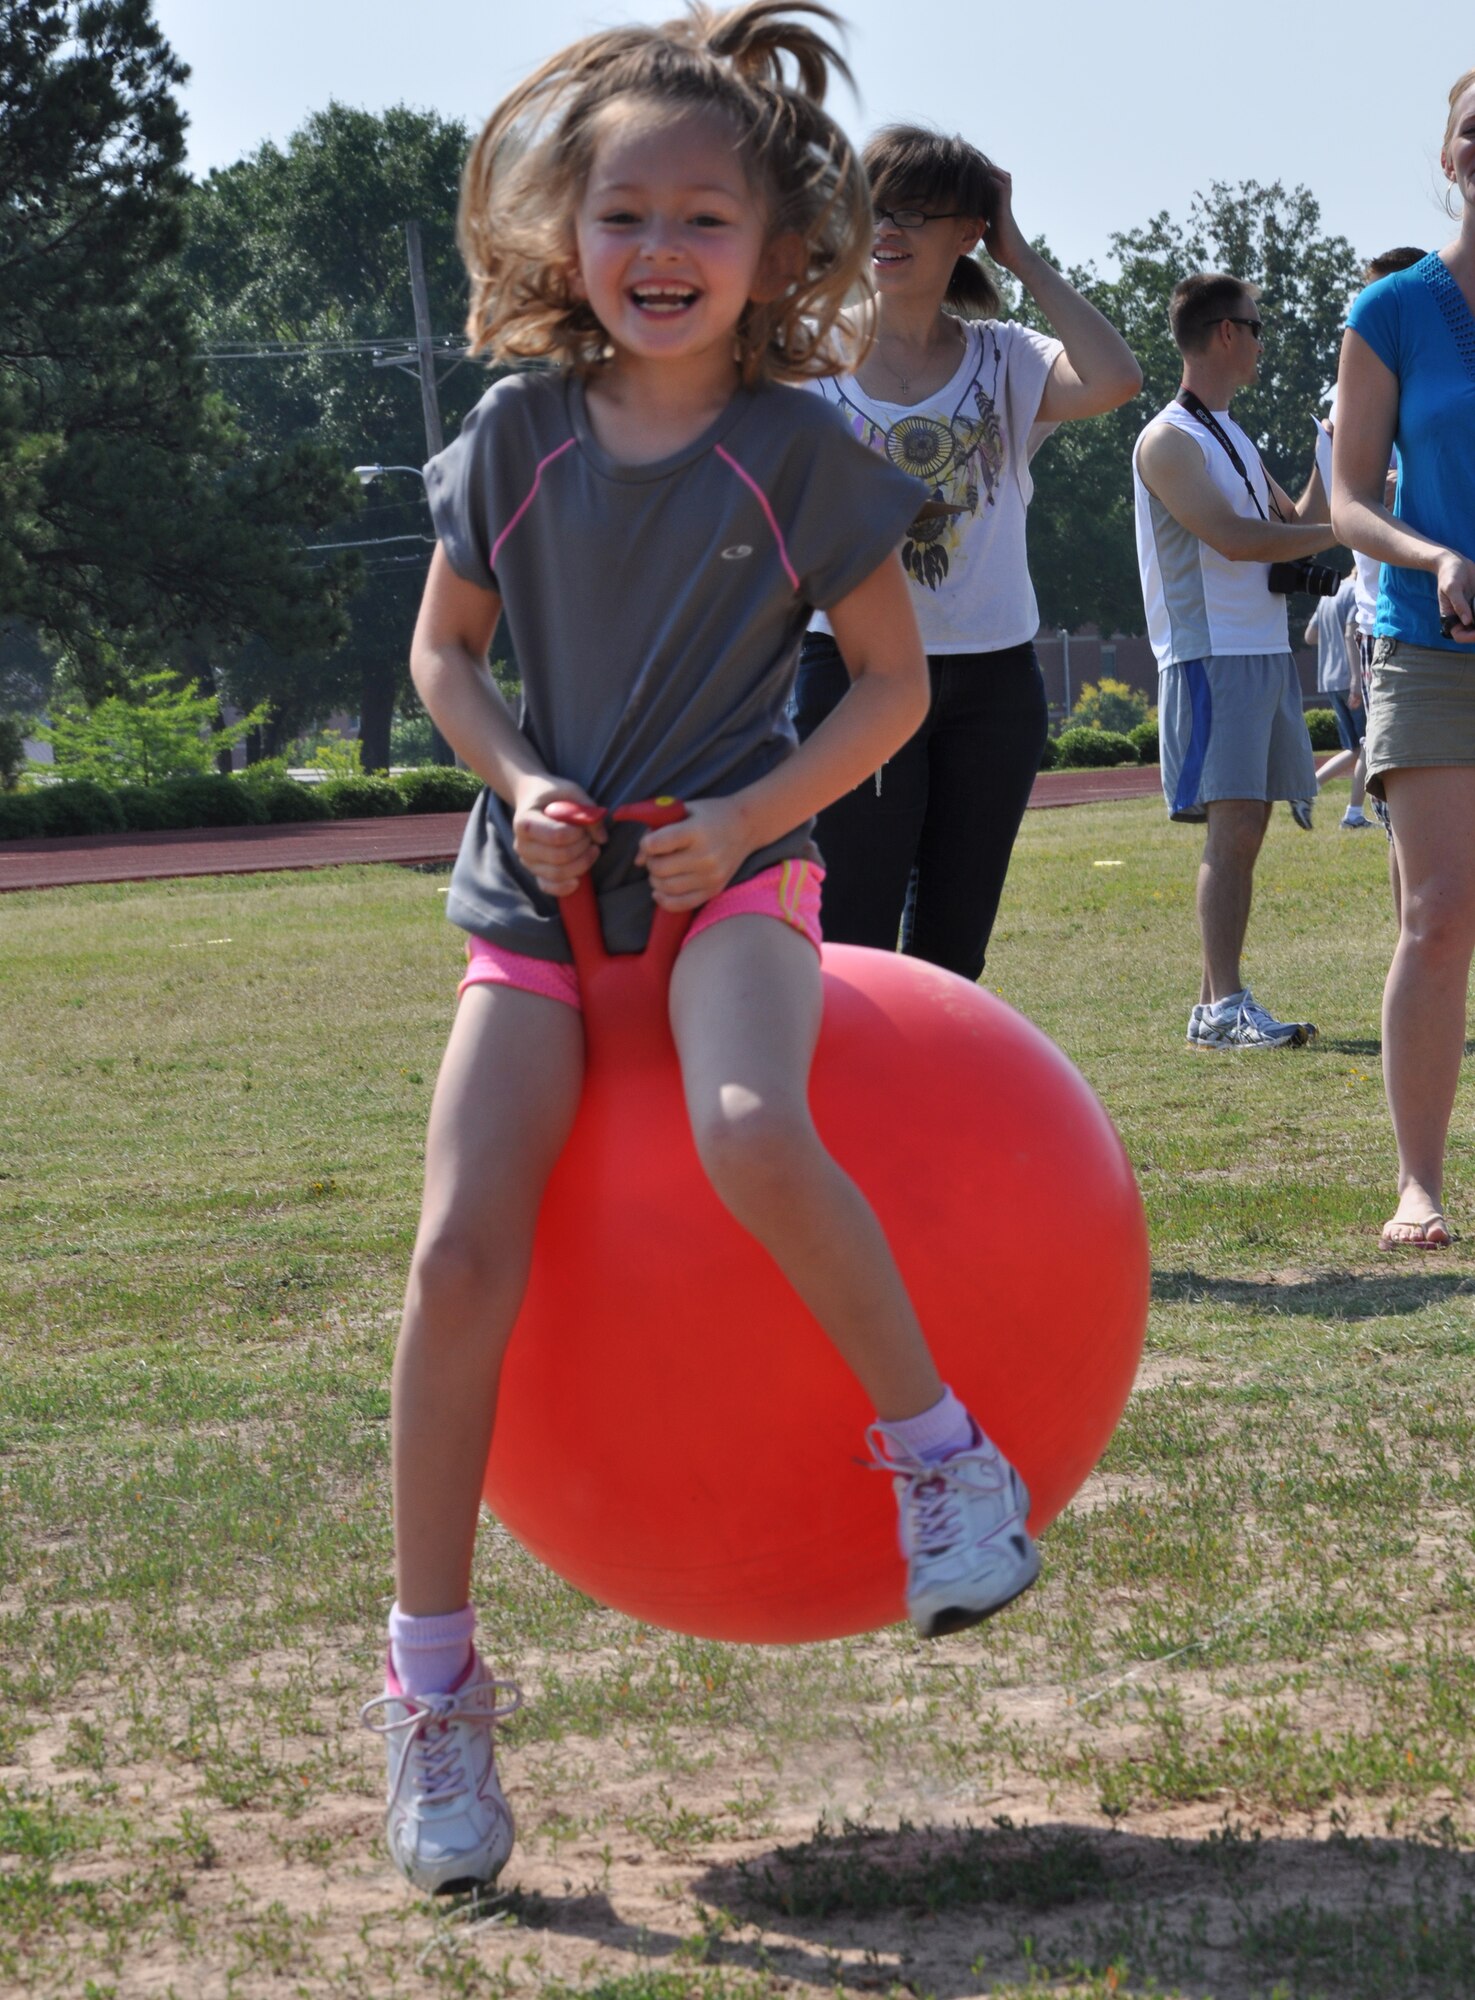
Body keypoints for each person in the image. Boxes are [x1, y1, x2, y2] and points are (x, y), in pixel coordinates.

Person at [360, 2, 1043, 1899]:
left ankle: (940, 1458)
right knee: (456, 1249)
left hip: (735, 879)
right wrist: (516, 779)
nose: (661, 252)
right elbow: (441, 655)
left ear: (781, 256)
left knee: (752, 1126)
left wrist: (745, 824)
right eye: (624, 214)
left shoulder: (800, 451)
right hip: (540, 906)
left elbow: (897, 689)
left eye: (705, 221)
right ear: (563, 237)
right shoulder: (506, 432)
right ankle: (433, 1690)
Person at [789, 128, 1141, 982]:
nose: (887, 229)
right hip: (853, 673)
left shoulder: (1005, 356)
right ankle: (842, 1112)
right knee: (852, 938)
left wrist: (1021, 255)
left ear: (968, 231)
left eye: (913, 211)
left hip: (990, 687)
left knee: (954, 950)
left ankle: (920, 1115)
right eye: (872, 208)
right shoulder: (802, 358)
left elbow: (1116, 378)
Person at [1331, 68, 1475, 1249]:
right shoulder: (1388, 310)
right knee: (1435, 915)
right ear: (1446, 156)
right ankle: (1416, 1183)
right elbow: (1343, 498)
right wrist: (1428, 557)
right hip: (1430, 647)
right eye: (1472, 129)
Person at [1132, 272, 1340, 1050]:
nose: (1259, 340)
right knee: (1232, 830)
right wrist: (1341, 527)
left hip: (1257, 650)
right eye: (1254, 327)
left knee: (1246, 826)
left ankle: (1211, 1006)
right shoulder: (1167, 439)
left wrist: (1331, 448)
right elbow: (1237, 539)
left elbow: (1302, 522)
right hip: (1210, 655)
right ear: (1225, 333)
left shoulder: (1230, 434)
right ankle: (1223, 1012)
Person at [1303, 573, 1370, 827]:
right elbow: (1350, 632)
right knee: (1368, 744)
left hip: (1330, 679)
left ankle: (1309, 789)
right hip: (1351, 678)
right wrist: (1356, 679)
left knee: (1353, 748)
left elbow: (1310, 635)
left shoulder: (1329, 594)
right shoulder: (1356, 591)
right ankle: (1353, 814)